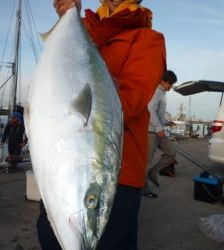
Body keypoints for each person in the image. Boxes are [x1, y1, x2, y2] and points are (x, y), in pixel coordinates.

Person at [37, 0, 167, 249]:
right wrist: (68, 15)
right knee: (51, 236)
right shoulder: (83, 27)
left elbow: (130, 100)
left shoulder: (148, 39)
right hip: (61, 163)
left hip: (117, 171)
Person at [143, 70, 177, 197]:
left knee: (171, 152)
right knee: (147, 162)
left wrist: (167, 122)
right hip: (152, 132)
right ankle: (143, 189)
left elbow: (159, 114)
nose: (171, 86)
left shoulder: (163, 94)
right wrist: (158, 128)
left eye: (172, 84)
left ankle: (153, 173)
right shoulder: (157, 91)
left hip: (159, 131)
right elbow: (150, 108)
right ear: (163, 81)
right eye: (170, 84)